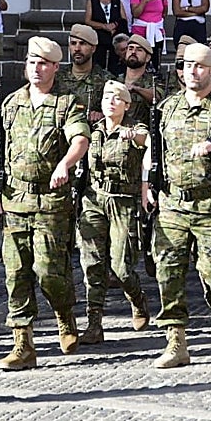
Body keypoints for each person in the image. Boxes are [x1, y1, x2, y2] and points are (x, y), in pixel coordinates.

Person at [0, 37, 91, 370]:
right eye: (32, 61)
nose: (37, 68)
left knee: (48, 271)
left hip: (50, 201)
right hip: (14, 199)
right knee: (16, 273)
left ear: (55, 67)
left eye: (44, 63)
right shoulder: (11, 103)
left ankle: (64, 313)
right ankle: (23, 343)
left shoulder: (66, 103)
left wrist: (65, 164)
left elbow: (80, 138)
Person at [145, 42, 211, 367]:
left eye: (200, 66)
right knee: (167, 272)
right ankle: (176, 341)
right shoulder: (167, 107)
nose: (193, 71)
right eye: (188, 65)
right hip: (171, 202)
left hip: (209, 204)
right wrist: (148, 184)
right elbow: (155, 148)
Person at [76, 80, 152, 344]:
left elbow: (146, 140)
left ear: (127, 105)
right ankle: (94, 323)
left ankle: (137, 300)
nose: (110, 101)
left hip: (123, 201)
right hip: (94, 199)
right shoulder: (93, 131)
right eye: (106, 96)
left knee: (121, 268)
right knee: (92, 263)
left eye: (117, 98)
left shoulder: (135, 128)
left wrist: (133, 137)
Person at [86, 0, 129, 72]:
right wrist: (104, 26)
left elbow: (124, 19)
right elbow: (88, 20)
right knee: (98, 65)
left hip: (114, 39)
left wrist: (114, 26)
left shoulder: (117, 1)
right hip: (99, 38)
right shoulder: (92, 0)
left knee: (114, 66)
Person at [129, 0, 168, 67]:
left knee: (156, 62)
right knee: (140, 60)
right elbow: (135, 13)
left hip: (156, 33)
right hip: (141, 32)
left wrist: (156, 22)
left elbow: (164, 11)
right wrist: (146, 0)